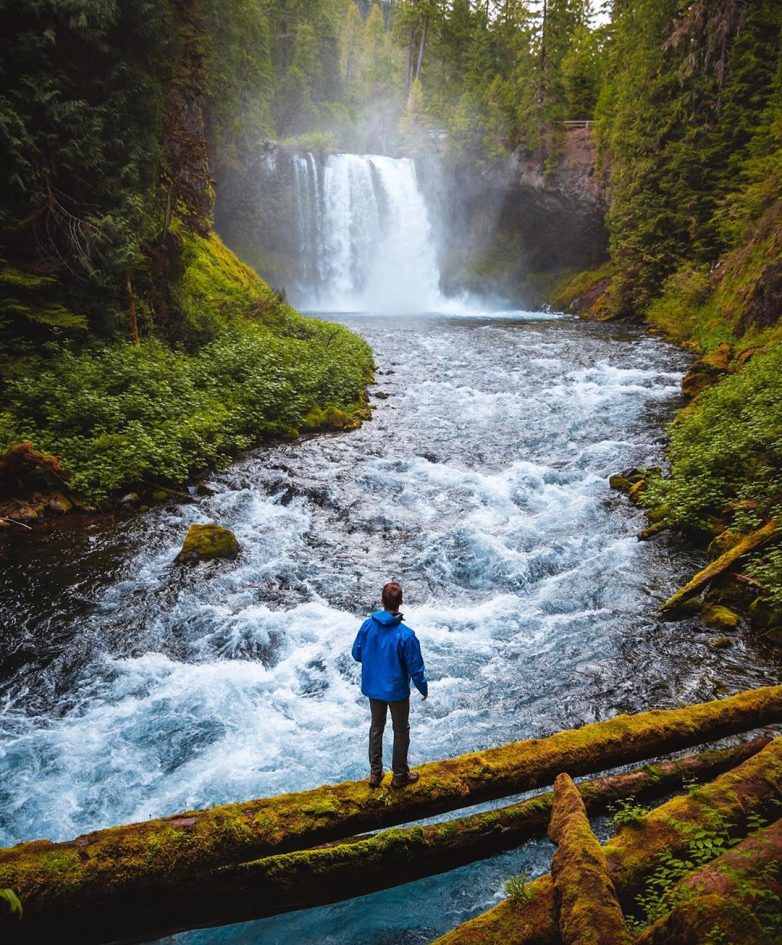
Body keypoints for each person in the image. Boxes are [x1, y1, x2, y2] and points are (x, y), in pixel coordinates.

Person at [351, 581, 428, 788]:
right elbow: (415, 669)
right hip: (396, 691)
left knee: (376, 727)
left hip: (373, 688)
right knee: (401, 729)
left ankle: (375, 774)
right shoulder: (406, 635)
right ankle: (399, 775)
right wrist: (423, 689)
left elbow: (356, 654)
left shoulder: (367, 626)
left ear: (381, 601)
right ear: (401, 602)